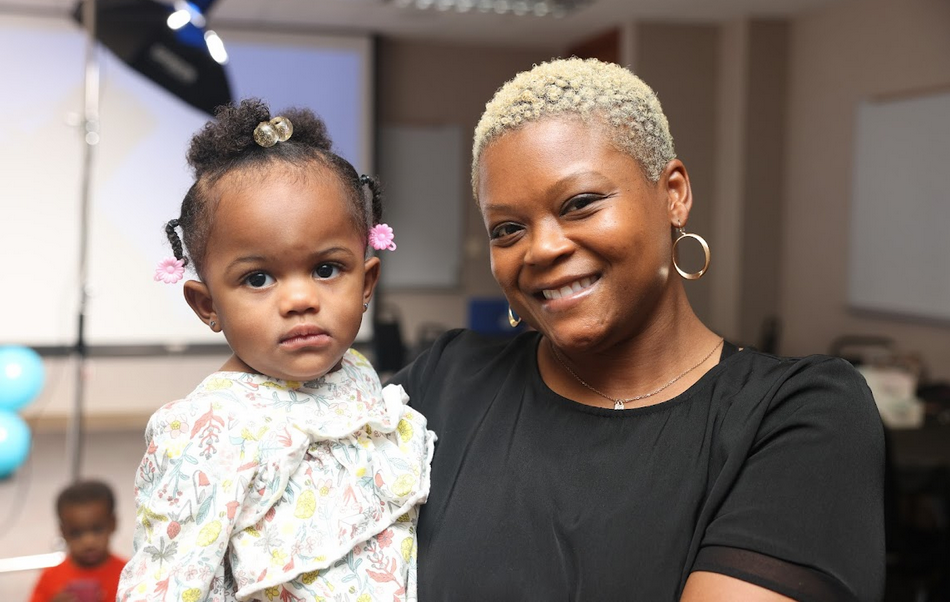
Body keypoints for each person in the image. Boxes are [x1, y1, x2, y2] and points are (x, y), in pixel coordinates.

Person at [390, 57, 885, 601]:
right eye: (507, 229)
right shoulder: (446, 380)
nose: (543, 248)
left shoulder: (796, 414)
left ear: (673, 194)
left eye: (580, 204)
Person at [117, 99, 435, 601]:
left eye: (327, 269)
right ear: (207, 305)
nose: (301, 300)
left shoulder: (355, 375)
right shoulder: (208, 430)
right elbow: (167, 583)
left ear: (367, 282)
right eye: (258, 278)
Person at [30, 479, 127, 602]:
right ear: (63, 532)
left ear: (113, 524)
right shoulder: (50, 577)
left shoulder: (129, 574)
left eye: (97, 530)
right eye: (76, 533)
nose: (88, 542)